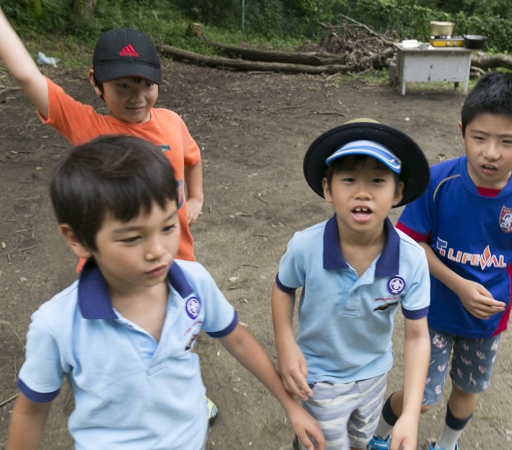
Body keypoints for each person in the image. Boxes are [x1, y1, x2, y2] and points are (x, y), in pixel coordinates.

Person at [7, 135, 325, 450]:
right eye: (132, 238)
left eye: (169, 226)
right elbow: (31, 412)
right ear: (77, 238)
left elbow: (238, 340)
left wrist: (291, 406)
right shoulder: (57, 325)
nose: (158, 251)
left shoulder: (193, 282)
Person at [0, 8, 222, 422]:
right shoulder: (86, 126)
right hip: (113, 271)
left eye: (146, 84)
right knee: (123, 344)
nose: (137, 97)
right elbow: (30, 77)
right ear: (95, 83)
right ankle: (126, 406)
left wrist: (197, 198)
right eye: (123, 86)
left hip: (176, 259)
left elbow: (193, 156)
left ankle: (185, 394)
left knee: (180, 331)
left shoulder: (172, 122)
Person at [367, 72, 512, 450]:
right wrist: (457, 283)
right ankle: (378, 435)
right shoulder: (436, 182)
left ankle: (447, 443)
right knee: (422, 395)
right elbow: (408, 242)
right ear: (462, 131)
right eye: (479, 138)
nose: (490, 152)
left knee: (468, 388)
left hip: (488, 317)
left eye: (508, 142)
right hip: (432, 311)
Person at [272, 119, 432, 450]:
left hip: (374, 374)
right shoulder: (305, 246)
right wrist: (285, 342)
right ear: (328, 189)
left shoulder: (412, 258)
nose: (362, 192)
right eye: (348, 180)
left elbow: (417, 336)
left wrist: (410, 414)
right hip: (319, 376)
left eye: (377, 180)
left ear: (397, 191)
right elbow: (284, 288)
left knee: (360, 440)